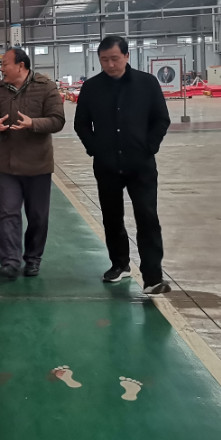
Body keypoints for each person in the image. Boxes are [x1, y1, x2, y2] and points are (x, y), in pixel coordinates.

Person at [74, 35, 172, 295]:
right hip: (107, 165)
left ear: (127, 56)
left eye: (115, 59)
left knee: (147, 217)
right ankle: (119, 264)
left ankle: (152, 277)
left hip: (141, 165)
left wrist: (149, 147)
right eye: (104, 60)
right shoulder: (92, 88)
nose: (109, 64)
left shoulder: (147, 84)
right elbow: (81, 123)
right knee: (112, 216)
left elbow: (161, 119)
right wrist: (95, 149)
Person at [0, 48, 65, 280]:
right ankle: (10, 262)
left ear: (20, 66)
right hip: (8, 165)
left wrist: (33, 123)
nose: (1, 68)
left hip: (38, 165)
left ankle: (33, 259)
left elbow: (58, 120)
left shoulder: (46, 87)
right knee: (8, 214)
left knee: (37, 216)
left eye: (5, 63)